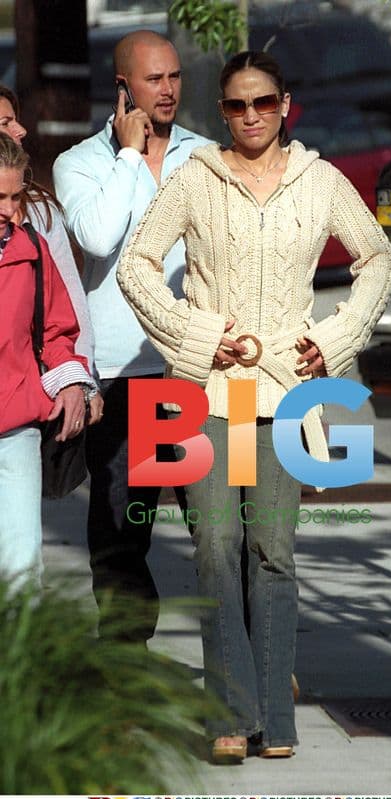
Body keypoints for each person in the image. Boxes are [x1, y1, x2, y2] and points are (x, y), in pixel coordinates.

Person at [117, 50, 391, 761]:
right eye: (237, 106)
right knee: (216, 546)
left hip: (287, 395)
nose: (251, 117)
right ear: (223, 111)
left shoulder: (321, 179)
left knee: (272, 550)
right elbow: (135, 265)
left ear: (286, 103)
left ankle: (275, 716)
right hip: (211, 395)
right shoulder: (194, 180)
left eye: (263, 103)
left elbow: (379, 260)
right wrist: (197, 334)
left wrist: (333, 340)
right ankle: (228, 714)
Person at [53, 31, 211, 643]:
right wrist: (127, 154)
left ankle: (248, 671)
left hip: (201, 370)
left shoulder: (206, 156)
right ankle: (125, 670)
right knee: (121, 536)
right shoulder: (81, 163)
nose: (168, 89)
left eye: (174, 76)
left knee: (225, 529)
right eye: (154, 79)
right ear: (123, 87)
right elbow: (96, 238)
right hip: (124, 376)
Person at [0, 134, 97, 591]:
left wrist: (73, 384)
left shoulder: (31, 249)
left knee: (22, 570)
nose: (10, 209)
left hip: (16, 429)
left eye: (16, 196)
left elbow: (57, 331)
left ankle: (18, 665)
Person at [0, 83, 101, 420]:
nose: (21, 129)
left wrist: (85, 383)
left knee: (239, 470)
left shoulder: (39, 212)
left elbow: (69, 309)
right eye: (5, 123)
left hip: (34, 401)